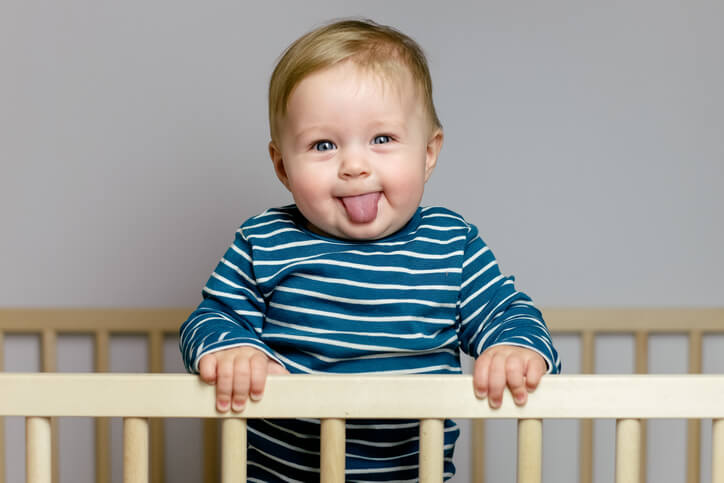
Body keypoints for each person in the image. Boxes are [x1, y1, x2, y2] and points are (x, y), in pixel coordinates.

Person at [180, 18, 560, 481]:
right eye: (323, 144)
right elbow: (211, 317)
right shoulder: (265, 239)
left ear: (428, 152)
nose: (354, 166)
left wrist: (514, 347)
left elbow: (507, 311)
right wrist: (233, 349)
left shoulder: (450, 244)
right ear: (282, 166)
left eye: (382, 139)